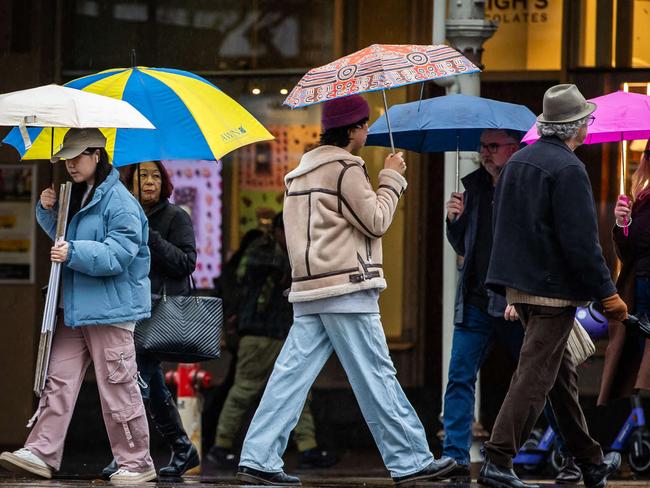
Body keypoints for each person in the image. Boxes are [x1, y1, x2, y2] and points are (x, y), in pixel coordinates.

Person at [235, 94, 456, 486]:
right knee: (376, 374)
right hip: (346, 286)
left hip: (309, 289)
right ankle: (411, 460)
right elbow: (376, 221)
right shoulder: (345, 168)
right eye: (365, 124)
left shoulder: (300, 172)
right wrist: (392, 178)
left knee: (289, 377)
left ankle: (258, 455)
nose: (368, 130)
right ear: (353, 129)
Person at [478, 84, 624, 488]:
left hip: (522, 288)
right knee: (535, 376)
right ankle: (499, 458)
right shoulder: (569, 169)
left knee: (558, 378)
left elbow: (502, 230)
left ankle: (590, 461)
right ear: (576, 127)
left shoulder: (518, 163)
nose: (590, 125)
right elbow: (581, 242)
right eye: (587, 120)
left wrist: (509, 288)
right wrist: (607, 293)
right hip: (552, 292)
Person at [0, 128, 156, 484]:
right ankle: (41, 451)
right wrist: (47, 209)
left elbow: (119, 254)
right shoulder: (82, 195)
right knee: (58, 380)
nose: (70, 164)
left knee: (118, 387)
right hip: (77, 307)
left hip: (111, 311)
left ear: (96, 155)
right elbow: (63, 238)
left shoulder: (119, 201)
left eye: (77, 157)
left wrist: (74, 251)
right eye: (66, 158)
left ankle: (137, 462)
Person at [444, 129, 581, 483]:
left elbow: (532, 242)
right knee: (460, 376)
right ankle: (455, 458)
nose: (485, 153)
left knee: (542, 380)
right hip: (476, 299)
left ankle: (571, 456)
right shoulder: (473, 187)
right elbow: (467, 246)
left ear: (514, 147)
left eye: (493, 147)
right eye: (482, 147)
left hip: (516, 301)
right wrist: (454, 221)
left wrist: (517, 290)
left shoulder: (527, 183)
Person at [207, 213, 336, 470]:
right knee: (245, 390)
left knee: (298, 392)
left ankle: (308, 447)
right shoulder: (264, 252)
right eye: (288, 229)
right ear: (277, 231)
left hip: (285, 332)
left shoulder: (281, 252)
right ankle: (221, 446)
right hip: (259, 332)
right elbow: (257, 277)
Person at [101, 160, 199, 479]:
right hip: (128, 307)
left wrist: (151, 237)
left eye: (156, 176)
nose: (150, 182)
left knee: (138, 378)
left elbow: (186, 263)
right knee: (149, 381)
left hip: (158, 311)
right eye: (144, 175)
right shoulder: (122, 214)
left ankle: (129, 455)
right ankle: (182, 448)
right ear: (131, 181)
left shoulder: (176, 217)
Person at [599, 140, 650, 404]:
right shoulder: (643, 198)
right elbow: (628, 252)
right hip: (640, 289)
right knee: (641, 366)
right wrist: (623, 222)